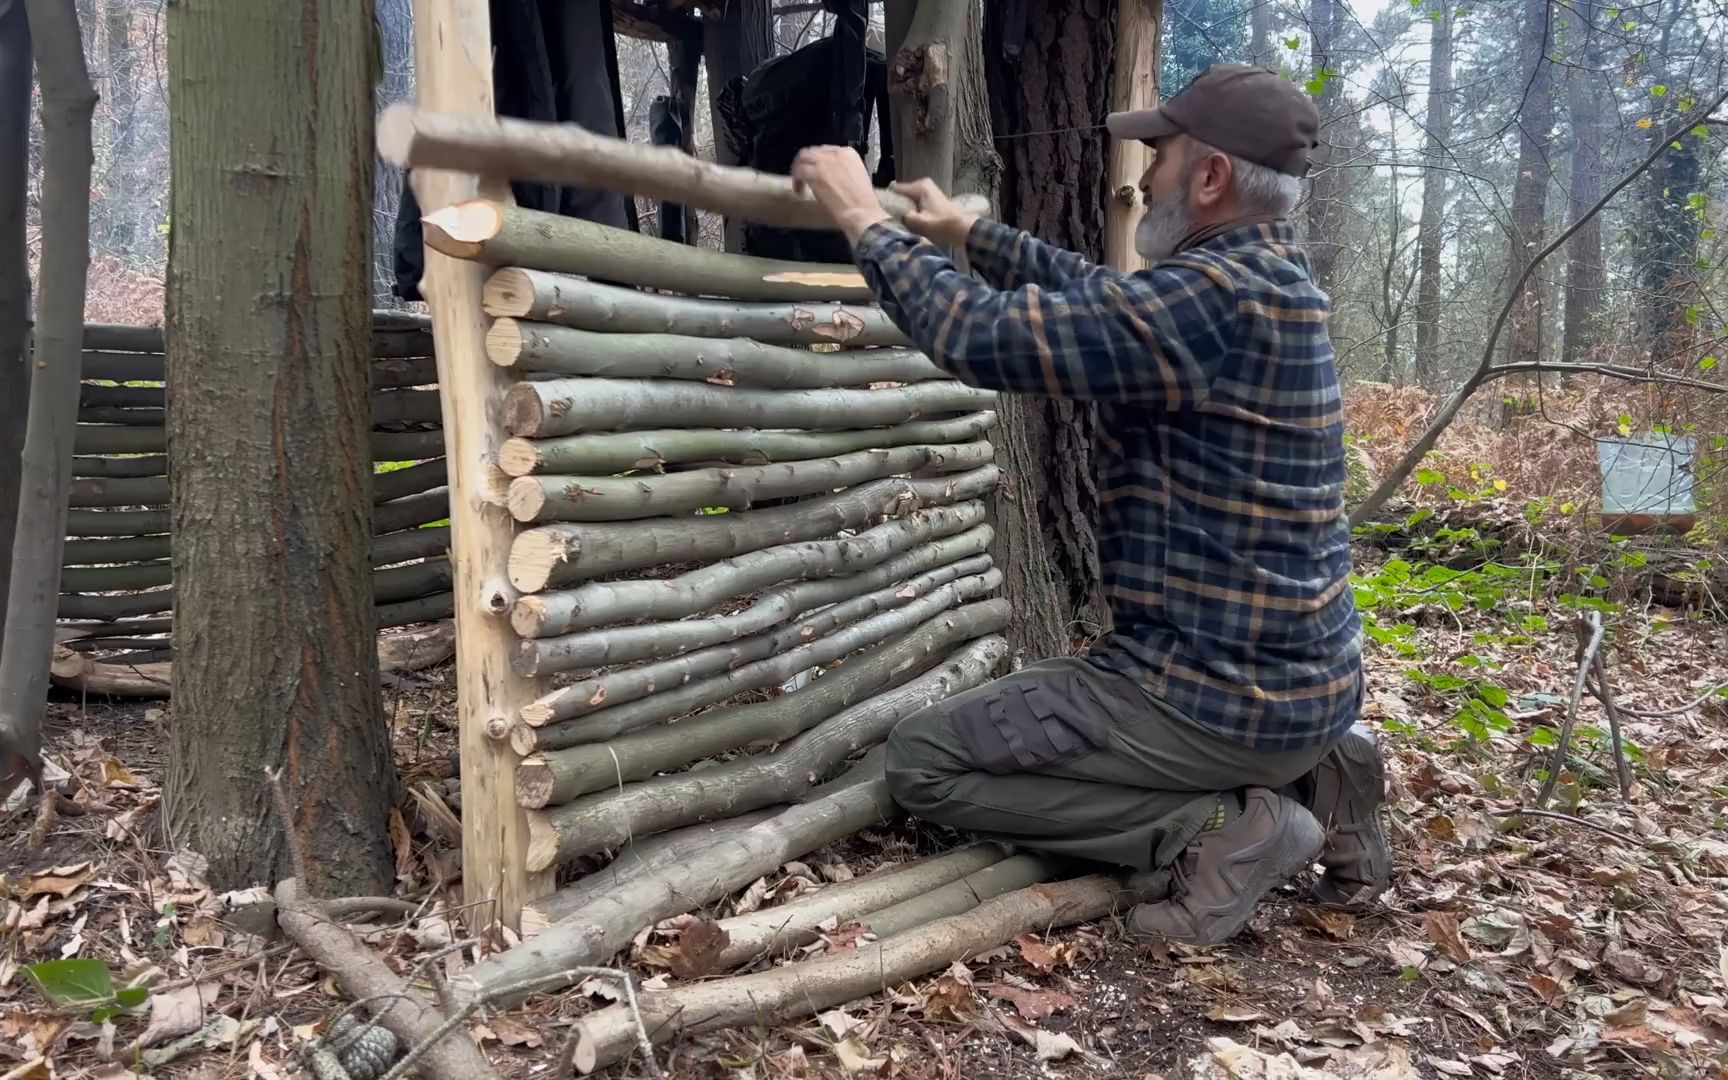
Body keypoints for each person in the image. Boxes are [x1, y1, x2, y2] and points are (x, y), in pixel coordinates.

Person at [790, 63, 1388, 946]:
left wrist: (863, 222)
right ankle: (1321, 774)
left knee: (925, 763)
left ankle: (1222, 832)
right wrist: (974, 235)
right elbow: (1107, 301)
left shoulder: (1208, 302)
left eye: (1163, 153)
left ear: (1212, 176)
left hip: (1212, 695)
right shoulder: (1266, 276)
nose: (1145, 176)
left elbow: (979, 337)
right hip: (1312, 684)